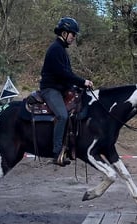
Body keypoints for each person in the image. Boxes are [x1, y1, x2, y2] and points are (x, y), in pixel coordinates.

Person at [39, 17, 93, 166]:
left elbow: (66, 75)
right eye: (72, 34)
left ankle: (71, 146)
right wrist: (83, 82)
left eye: (74, 34)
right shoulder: (55, 49)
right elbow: (63, 74)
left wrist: (76, 86)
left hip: (60, 88)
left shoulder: (61, 49)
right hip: (50, 89)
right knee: (62, 116)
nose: (74, 37)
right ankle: (56, 152)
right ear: (64, 33)